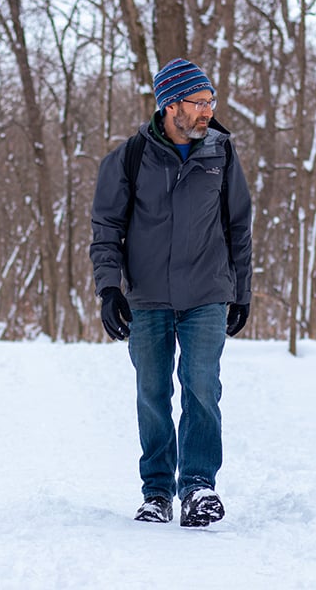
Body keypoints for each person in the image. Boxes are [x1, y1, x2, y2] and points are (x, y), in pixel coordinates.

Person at [89, 58, 252, 527]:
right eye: (198, 103)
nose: (207, 111)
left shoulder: (221, 152)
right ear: (170, 105)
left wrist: (241, 291)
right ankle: (157, 491)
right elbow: (107, 228)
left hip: (207, 292)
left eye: (210, 101)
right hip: (147, 296)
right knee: (153, 392)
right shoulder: (129, 158)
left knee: (202, 388)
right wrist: (108, 289)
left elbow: (238, 225)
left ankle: (199, 486)